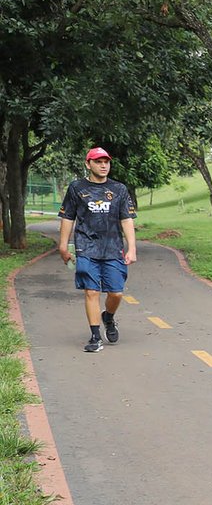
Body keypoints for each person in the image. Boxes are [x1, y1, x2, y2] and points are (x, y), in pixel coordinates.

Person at [57, 147, 136, 353]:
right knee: (91, 291)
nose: (103, 165)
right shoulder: (76, 188)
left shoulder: (119, 189)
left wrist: (132, 248)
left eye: (106, 162)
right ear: (88, 164)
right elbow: (68, 217)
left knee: (116, 293)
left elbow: (126, 219)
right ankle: (95, 337)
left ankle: (108, 317)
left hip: (113, 247)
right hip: (86, 246)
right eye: (98, 162)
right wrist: (63, 245)